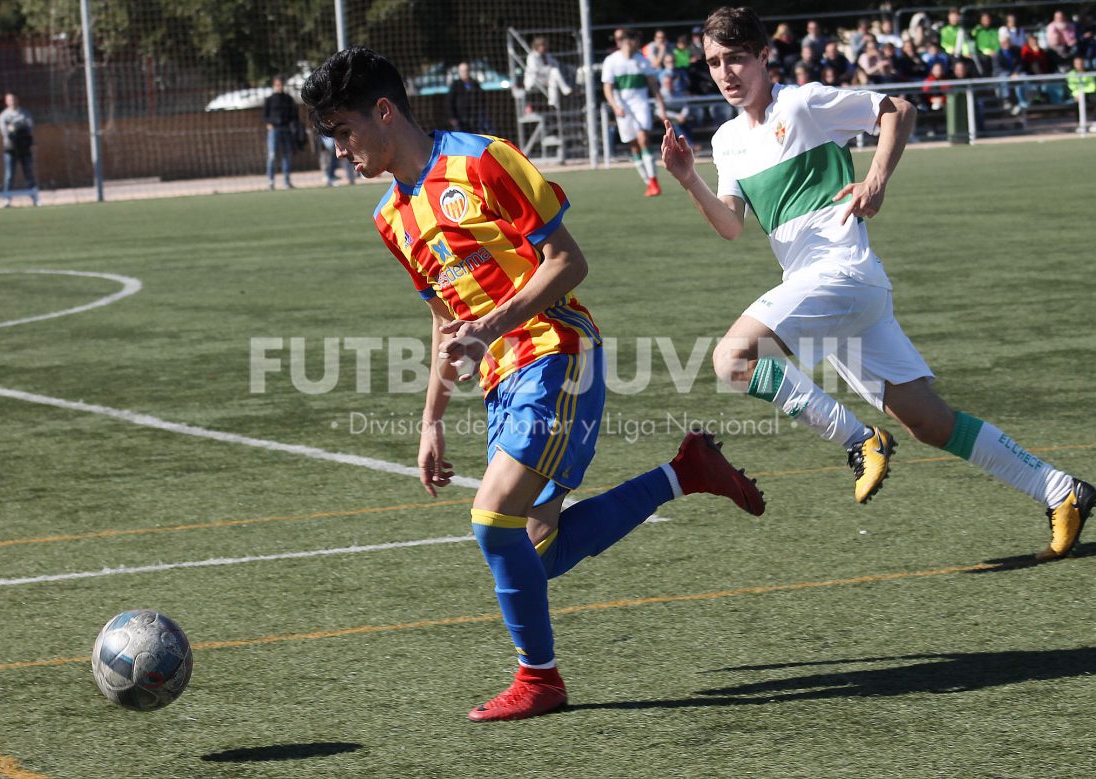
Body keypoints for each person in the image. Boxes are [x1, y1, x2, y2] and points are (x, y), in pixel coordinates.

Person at [300, 46, 764, 723]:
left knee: (492, 523)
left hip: (557, 352)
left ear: (384, 110)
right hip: (501, 377)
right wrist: (431, 419)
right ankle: (685, 472)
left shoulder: (482, 159)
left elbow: (568, 262)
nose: (339, 148)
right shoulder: (391, 218)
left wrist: (490, 326)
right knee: (532, 556)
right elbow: (443, 323)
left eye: (342, 131)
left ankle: (539, 679)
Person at [660, 7, 1096, 563]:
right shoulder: (725, 140)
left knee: (731, 359)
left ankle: (857, 439)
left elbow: (898, 110)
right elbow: (730, 225)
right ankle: (1062, 491)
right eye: (715, 62)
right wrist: (687, 178)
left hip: (841, 273)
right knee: (929, 422)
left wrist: (876, 178)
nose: (726, 73)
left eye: (737, 59)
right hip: (833, 293)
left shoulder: (801, 103)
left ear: (764, 56)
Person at [602, 29, 668, 197]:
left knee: (643, 139)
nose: (631, 43)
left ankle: (654, 181)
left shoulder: (643, 61)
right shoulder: (611, 61)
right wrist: (615, 106)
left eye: (634, 40)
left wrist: (661, 107)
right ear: (621, 42)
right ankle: (648, 182)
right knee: (633, 145)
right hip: (623, 108)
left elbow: (654, 86)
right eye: (628, 40)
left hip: (640, 104)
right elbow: (607, 88)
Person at [0, 92, 39, 208]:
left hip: (24, 148)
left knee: (29, 173)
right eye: (10, 99)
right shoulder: (3, 116)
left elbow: (30, 128)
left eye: (14, 99)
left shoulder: (24, 113)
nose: (12, 101)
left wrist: (22, 134)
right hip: (10, 149)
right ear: (6, 101)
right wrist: (14, 133)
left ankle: (35, 197)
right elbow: (5, 132)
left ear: (17, 100)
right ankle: (7, 199)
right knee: (9, 175)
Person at [263, 76, 298, 190]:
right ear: (274, 86)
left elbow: (294, 115)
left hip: (286, 130)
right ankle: (271, 181)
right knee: (272, 155)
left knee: (286, 156)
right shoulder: (269, 99)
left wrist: (292, 125)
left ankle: (287, 182)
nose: (279, 87)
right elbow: (265, 116)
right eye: (277, 85)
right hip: (274, 130)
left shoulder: (288, 99)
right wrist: (269, 125)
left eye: (281, 84)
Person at [523, 37, 573, 109]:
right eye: (542, 46)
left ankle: (553, 103)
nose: (544, 48)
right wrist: (548, 70)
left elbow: (556, 64)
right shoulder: (532, 57)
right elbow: (534, 71)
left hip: (547, 78)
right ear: (537, 46)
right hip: (535, 80)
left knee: (554, 77)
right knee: (554, 72)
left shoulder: (547, 55)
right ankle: (565, 90)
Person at [449, 62, 494, 133]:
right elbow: (450, 101)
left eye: (466, 70)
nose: (465, 73)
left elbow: (482, 99)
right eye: (462, 71)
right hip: (461, 118)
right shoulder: (456, 85)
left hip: (475, 118)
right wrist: (452, 116)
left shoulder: (475, 84)